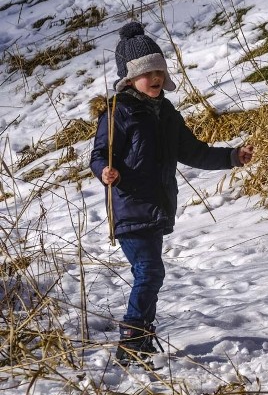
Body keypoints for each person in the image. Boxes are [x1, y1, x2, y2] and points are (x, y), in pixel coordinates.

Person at [90, 21, 254, 366]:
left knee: (150, 274)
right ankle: (132, 340)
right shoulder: (119, 112)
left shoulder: (166, 114)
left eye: (160, 71)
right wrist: (106, 172)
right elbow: (99, 155)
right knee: (150, 272)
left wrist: (231, 156)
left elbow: (193, 151)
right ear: (130, 78)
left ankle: (142, 337)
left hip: (158, 208)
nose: (156, 78)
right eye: (147, 72)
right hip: (130, 205)